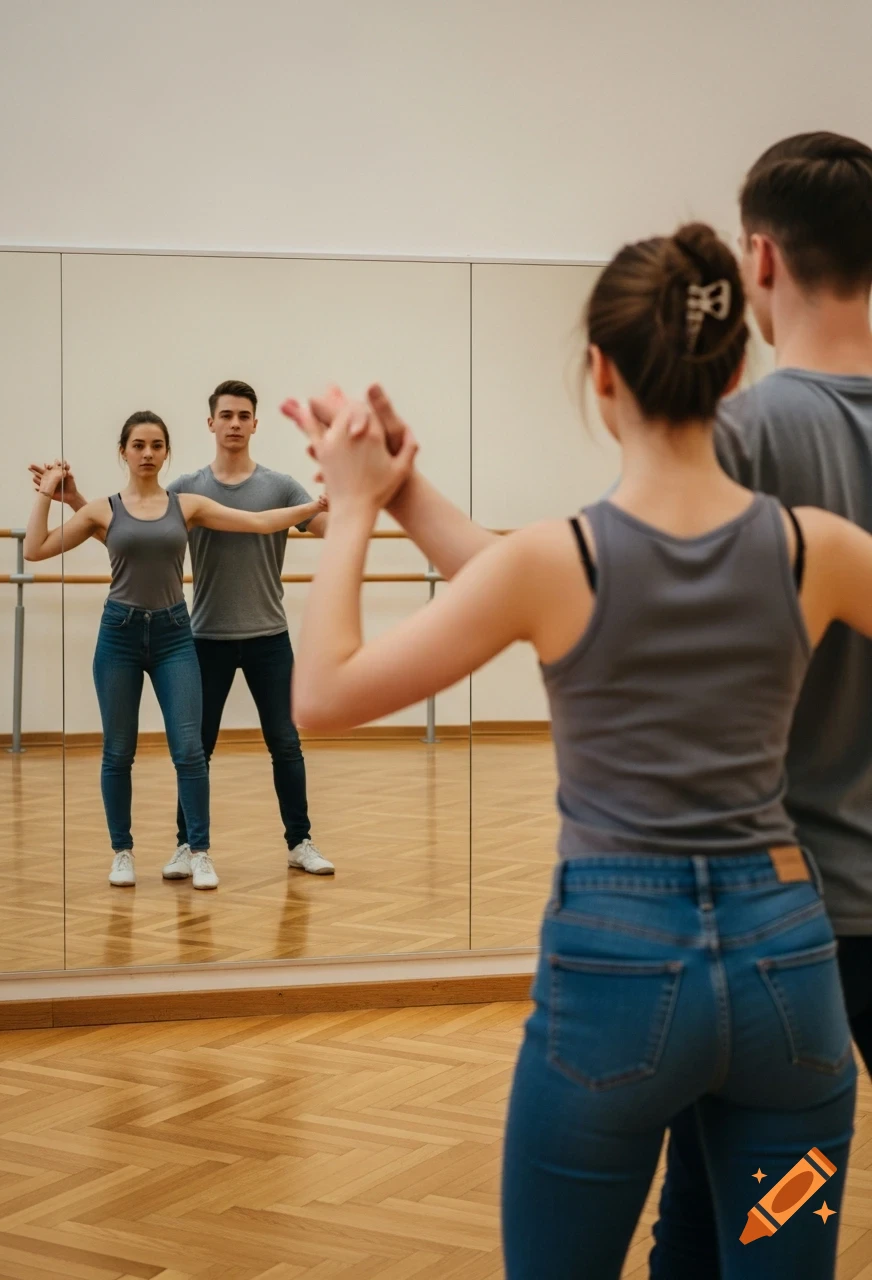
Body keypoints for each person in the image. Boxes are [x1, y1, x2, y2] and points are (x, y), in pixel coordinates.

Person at [281, 220, 872, 1278]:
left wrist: (357, 506)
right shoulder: (813, 549)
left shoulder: (556, 563)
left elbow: (323, 693)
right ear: (733, 371)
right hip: (789, 983)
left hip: (616, 981)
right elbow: (506, 573)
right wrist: (402, 488)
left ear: (600, 372)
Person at [647, 132, 872, 1279]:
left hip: (776, 915)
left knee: (717, 1205)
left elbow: (598, 596)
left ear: (761, 258)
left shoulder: (737, 434)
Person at [31, 379, 334, 882]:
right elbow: (122, 528)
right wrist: (64, 497)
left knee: (268, 743)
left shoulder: (250, 491)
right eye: (226, 415)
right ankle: (171, 847)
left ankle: (282, 842)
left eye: (243, 415)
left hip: (247, 634)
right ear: (210, 423)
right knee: (168, 749)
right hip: (192, 634)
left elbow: (287, 525)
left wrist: (328, 502)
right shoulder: (185, 489)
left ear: (254, 423)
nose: (234, 423)